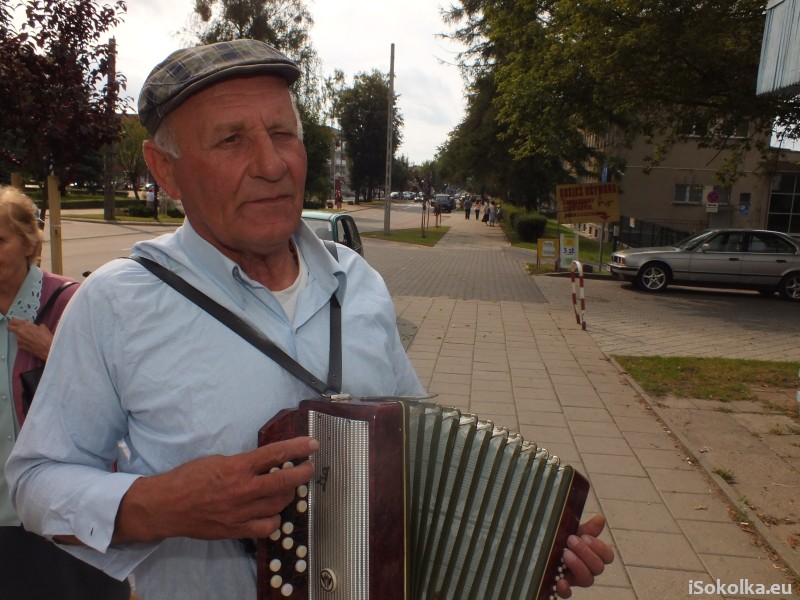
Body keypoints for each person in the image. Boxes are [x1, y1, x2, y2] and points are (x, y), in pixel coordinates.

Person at [7, 40, 612, 599]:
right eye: (231, 140)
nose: (272, 164)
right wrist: (155, 505)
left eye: (283, 133)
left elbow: (419, 455)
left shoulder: (360, 282)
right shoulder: (114, 303)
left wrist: (525, 551)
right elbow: (35, 481)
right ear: (163, 169)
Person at [0, 186, 130, 599]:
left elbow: (122, 394)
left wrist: (51, 350)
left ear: (29, 244)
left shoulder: (73, 303)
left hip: (62, 509)